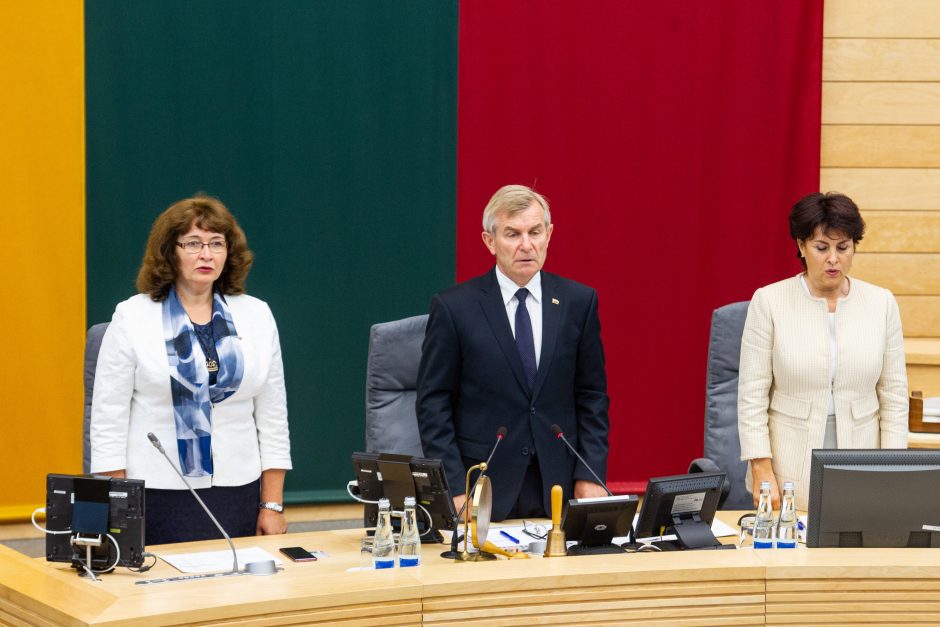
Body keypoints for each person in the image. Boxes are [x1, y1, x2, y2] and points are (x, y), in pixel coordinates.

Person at [90, 195, 292, 545]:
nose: (206, 255)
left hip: (238, 490)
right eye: (193, 244)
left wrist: (272, 503)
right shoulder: (132, 316)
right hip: (157, 491)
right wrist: (120, 509)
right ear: (170, 251)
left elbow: (273, 416)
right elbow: (108, 419)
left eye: (216, 244)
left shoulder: (256, 314)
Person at [416, 184, 610, 522]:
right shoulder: (454, 308)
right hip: (482, 489)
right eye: (512, 234)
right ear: (489, 241)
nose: (526, 245)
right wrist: (454, 488)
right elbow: (434, 403)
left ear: (549, 235)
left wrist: (589, 474)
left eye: (535, 232)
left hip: (559, 487)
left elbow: (592, 395)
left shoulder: (578, 303)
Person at [738, 192, 908, 510]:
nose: (833, 259)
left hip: (863, 458)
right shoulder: (769, 302)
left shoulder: (882, 303)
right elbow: (751, 397)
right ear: (801, 246)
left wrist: (894, 470)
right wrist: (760, 467)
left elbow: (895, 398)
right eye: (821, 247)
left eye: (843, 248)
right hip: (788, 462)